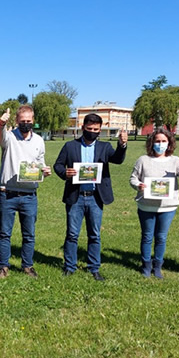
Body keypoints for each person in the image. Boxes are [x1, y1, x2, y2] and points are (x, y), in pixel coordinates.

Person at [54, 114, 128, 280]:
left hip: (96, 197)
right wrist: (64, 172)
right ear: (83, 128)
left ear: (100, 130)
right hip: (76, 196)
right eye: (89, 129)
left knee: (94, 234)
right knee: (72, 234)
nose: (93, 132)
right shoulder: (70, 146)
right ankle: (70, 266)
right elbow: (58, 165)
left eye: (96, 130)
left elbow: (117, 159)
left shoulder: (104, 147)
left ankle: (94, 267)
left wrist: (122, 145)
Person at [0, 106, 51, 279]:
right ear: (17, 121)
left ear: (33, 120)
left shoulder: (39, 141)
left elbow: (40, 163)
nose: (26, 124)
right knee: (4, 233)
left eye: (29, 121)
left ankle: (27, 266)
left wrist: (44, 171)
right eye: (22, 121)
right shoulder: (9, 137)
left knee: (29, 234)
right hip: (8, 193)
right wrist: (1, 122)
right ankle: (4, 267)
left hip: (29, 195)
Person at [129, 127, 179, 279]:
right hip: (146, 205)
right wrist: (138, 185)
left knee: (161, 237)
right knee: (147, 236)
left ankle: (157, 266)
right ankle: (146, 265)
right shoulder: (143, 160)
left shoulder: (175, 160)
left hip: (168, 206)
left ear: (169, 143)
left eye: (164, 141)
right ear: (152, 143)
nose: (160, 144)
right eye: (157, 141)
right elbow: (133, 178)